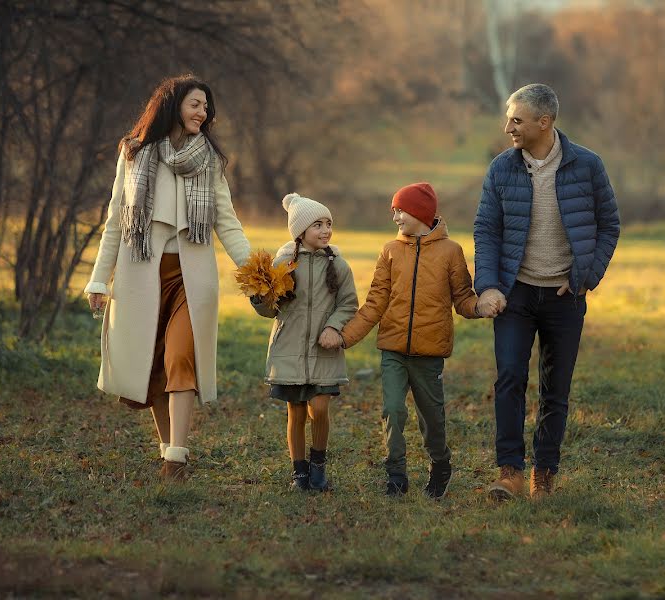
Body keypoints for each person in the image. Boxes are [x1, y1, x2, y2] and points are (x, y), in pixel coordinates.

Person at [84, 75, 251, 481]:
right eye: (196, 104)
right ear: (174, 104)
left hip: (190, 279)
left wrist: (258, 272)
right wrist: (98, 280)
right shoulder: (134, 153)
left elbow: (226, 222)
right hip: (141, 276)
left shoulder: (208, 160)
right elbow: (114, 222)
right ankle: (167, 449)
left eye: (207, 107)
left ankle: (177, 458)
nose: (204, 113)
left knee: (180, 357)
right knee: (153, 365)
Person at [474, 83, 620, 500]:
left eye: (516, 120)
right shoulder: (502, 168)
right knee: (509, 379)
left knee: (556, 389)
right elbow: (486, 229)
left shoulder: (587, 166)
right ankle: (510, 472)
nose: (508, 128)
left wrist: (585, 275)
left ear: (545, 121)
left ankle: (544, 472)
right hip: (515, 294)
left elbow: (609, 224)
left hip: (565, 297)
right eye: (508, 118)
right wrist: (487, 286)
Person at [333, 183, 496, 498]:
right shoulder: (390, 251)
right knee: (393, 410)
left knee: (432, 420)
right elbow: (375, 303)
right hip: (393, 350)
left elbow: (462, 298)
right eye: (394, 210)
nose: (395, 217)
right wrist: (344, 337)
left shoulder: (451, 252)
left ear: (421, 213)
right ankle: (395, 474)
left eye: (400, 210)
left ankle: (440, 464)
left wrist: (479, 306)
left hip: (430, 352)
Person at [251, 193, 358, 492]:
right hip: (290, 350)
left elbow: (349, 304)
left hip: (323, 351)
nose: (325, 230)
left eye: (328, 224)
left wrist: (334, 328)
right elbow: (270, 308)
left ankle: (318, 465)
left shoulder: (339, 265)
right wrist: (259, 297)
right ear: (300, 231)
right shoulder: (283, 263)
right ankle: (299, 472)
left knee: (320, 409)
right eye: (317, 225)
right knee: (296, 412)